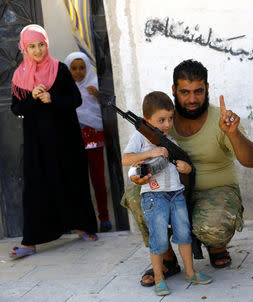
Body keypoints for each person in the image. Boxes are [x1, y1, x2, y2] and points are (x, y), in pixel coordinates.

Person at [122, 59, 253, 286]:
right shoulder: (162, 121)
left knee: (212, 225)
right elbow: (137, 157)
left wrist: (234, 134)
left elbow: (252, 161)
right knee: (135, 197)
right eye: (185, 92)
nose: (192, 99)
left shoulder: (220, 119)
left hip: (214, 190)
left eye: (198, 91)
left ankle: (217, 247)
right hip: (169, 189)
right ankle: (167, 260)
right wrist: (137, 176)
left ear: (207, 89)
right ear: (174, 90)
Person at [9, 24, 98, 259]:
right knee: (37, 188)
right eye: (32, 46)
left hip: (66, 140)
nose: (37, 50)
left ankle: (82, 226)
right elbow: (16, 108)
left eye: (41, 45)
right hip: (37, 145)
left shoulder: (59, 69)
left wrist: (52, 97)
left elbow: (76, 99)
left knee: (73, 181)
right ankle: (31, 241)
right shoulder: (19, 76)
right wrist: (34, 98)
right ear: (24, 48)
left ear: (46, 44)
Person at [122, 91, 212, 296]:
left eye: (170, 119)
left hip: (177, 195)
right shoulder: (140, 138)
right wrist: (150, 153)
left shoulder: (170, 141)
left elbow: (187, 167)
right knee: (159, 239)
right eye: (161, 120)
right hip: (155, 197)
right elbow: (126, 159)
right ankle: (159, 279)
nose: (166, 124)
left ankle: (191, 272)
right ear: (146, 121)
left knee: (184, 236)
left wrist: (187, 169)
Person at [64, 52, 112, 232]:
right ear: (68, 70)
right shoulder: (64, 89)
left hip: (94, 139)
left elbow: (107, 109)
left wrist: (98, 96)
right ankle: (81, 222)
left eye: (82, 67)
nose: (78, 72)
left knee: (98, 181)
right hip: (73, 139)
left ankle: (104, 218)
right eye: (74, 68)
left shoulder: (94, 86)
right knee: (77, 182)